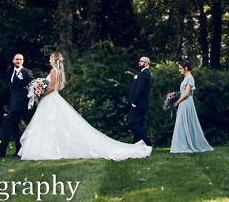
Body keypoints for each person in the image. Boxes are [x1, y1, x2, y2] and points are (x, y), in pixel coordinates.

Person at [17, 52, 152, 161]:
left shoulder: (53, 71)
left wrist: (41, 93)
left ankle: (48, 149)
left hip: (50, 99)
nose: (49, 60)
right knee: (55, 125)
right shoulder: (58, 71)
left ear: (54, 60)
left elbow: (52, 87)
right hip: (53, 100)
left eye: (51, 58)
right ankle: (52, 147)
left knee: (51, 124)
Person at [0, 53, 34, 158]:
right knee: (16, 128)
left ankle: (1, 152)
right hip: (13, 105)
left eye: (20, 59)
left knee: (6, 125)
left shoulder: (27, 73)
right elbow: (11, 91)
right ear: (13, 61)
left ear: (23, 61)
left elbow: (32, 87)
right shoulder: (11, 73)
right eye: (16, 59)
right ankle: (19, 151)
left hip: (21, 106)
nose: (18, 61)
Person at [170, 60, 213, 153]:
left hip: (186, 102)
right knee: (181, 122)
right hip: (183, 102)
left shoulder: (190, 78)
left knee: (184, 121)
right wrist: (174, 95)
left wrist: (177, 101)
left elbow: (186, 94)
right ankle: (182, 144)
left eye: (180, 68)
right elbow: (183, 92)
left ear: (185, 68)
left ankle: (187, 144)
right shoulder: (186, 78)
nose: (179, 70)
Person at [127, 56, 153, 146]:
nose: (139, 62)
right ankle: (136, 145)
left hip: (138, 104)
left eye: (141, 61)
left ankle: (147, 143)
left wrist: (134, 102)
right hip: (142, 104)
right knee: (138, 124)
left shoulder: (144, 74)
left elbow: (139, 89)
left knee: (132, 123)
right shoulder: (146, 73)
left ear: (146, 63)